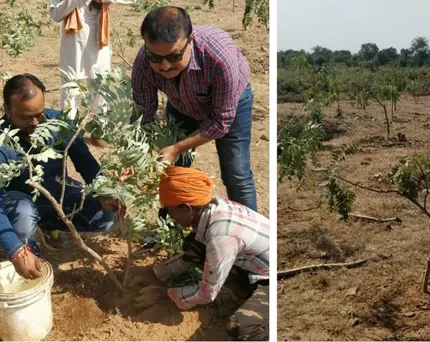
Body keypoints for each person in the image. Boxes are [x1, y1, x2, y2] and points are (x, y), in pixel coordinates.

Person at [131, 6, 257, 212]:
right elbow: (143, 113)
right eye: (155, 57)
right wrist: (134, 154)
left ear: (190, 40)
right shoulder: (143, 62)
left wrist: (177, 147)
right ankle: (171, 230)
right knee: (173, 170)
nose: (164, 66)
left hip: (233, 104)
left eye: (173, 57)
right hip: (182, 104)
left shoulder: (219, 58)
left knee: (237, 174)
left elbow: (220, 121)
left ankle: (249, 235)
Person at [0, 74, 122, 279]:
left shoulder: (60, 123)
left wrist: (103, 190)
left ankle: (47, 226)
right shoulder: (2, 141)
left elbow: (86, 163)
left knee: (105, 217)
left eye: (39, 113)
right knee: (22, 215)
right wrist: (14, 248)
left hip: (56, 195)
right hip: (19, 202)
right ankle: (28, 253)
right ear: (7, 109)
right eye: (25, 117)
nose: (36, 123)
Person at [134, 166, 269, 340]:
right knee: (194, 245)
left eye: (170, 210)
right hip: (254, 266)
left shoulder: (221, 234)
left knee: (242, 327)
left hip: (273, 279)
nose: (169, 216)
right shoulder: (212, 208)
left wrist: (166, 294)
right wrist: (155, 273)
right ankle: (239, 294)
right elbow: (193, 254)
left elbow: (207, 294)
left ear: (187, 208)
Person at [49, 0, 134, 147]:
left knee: (100, 86)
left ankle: (99, 131)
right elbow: (56, 15)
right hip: (72, 43)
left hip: (98, 40)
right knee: (70, 88)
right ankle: (69, 133)